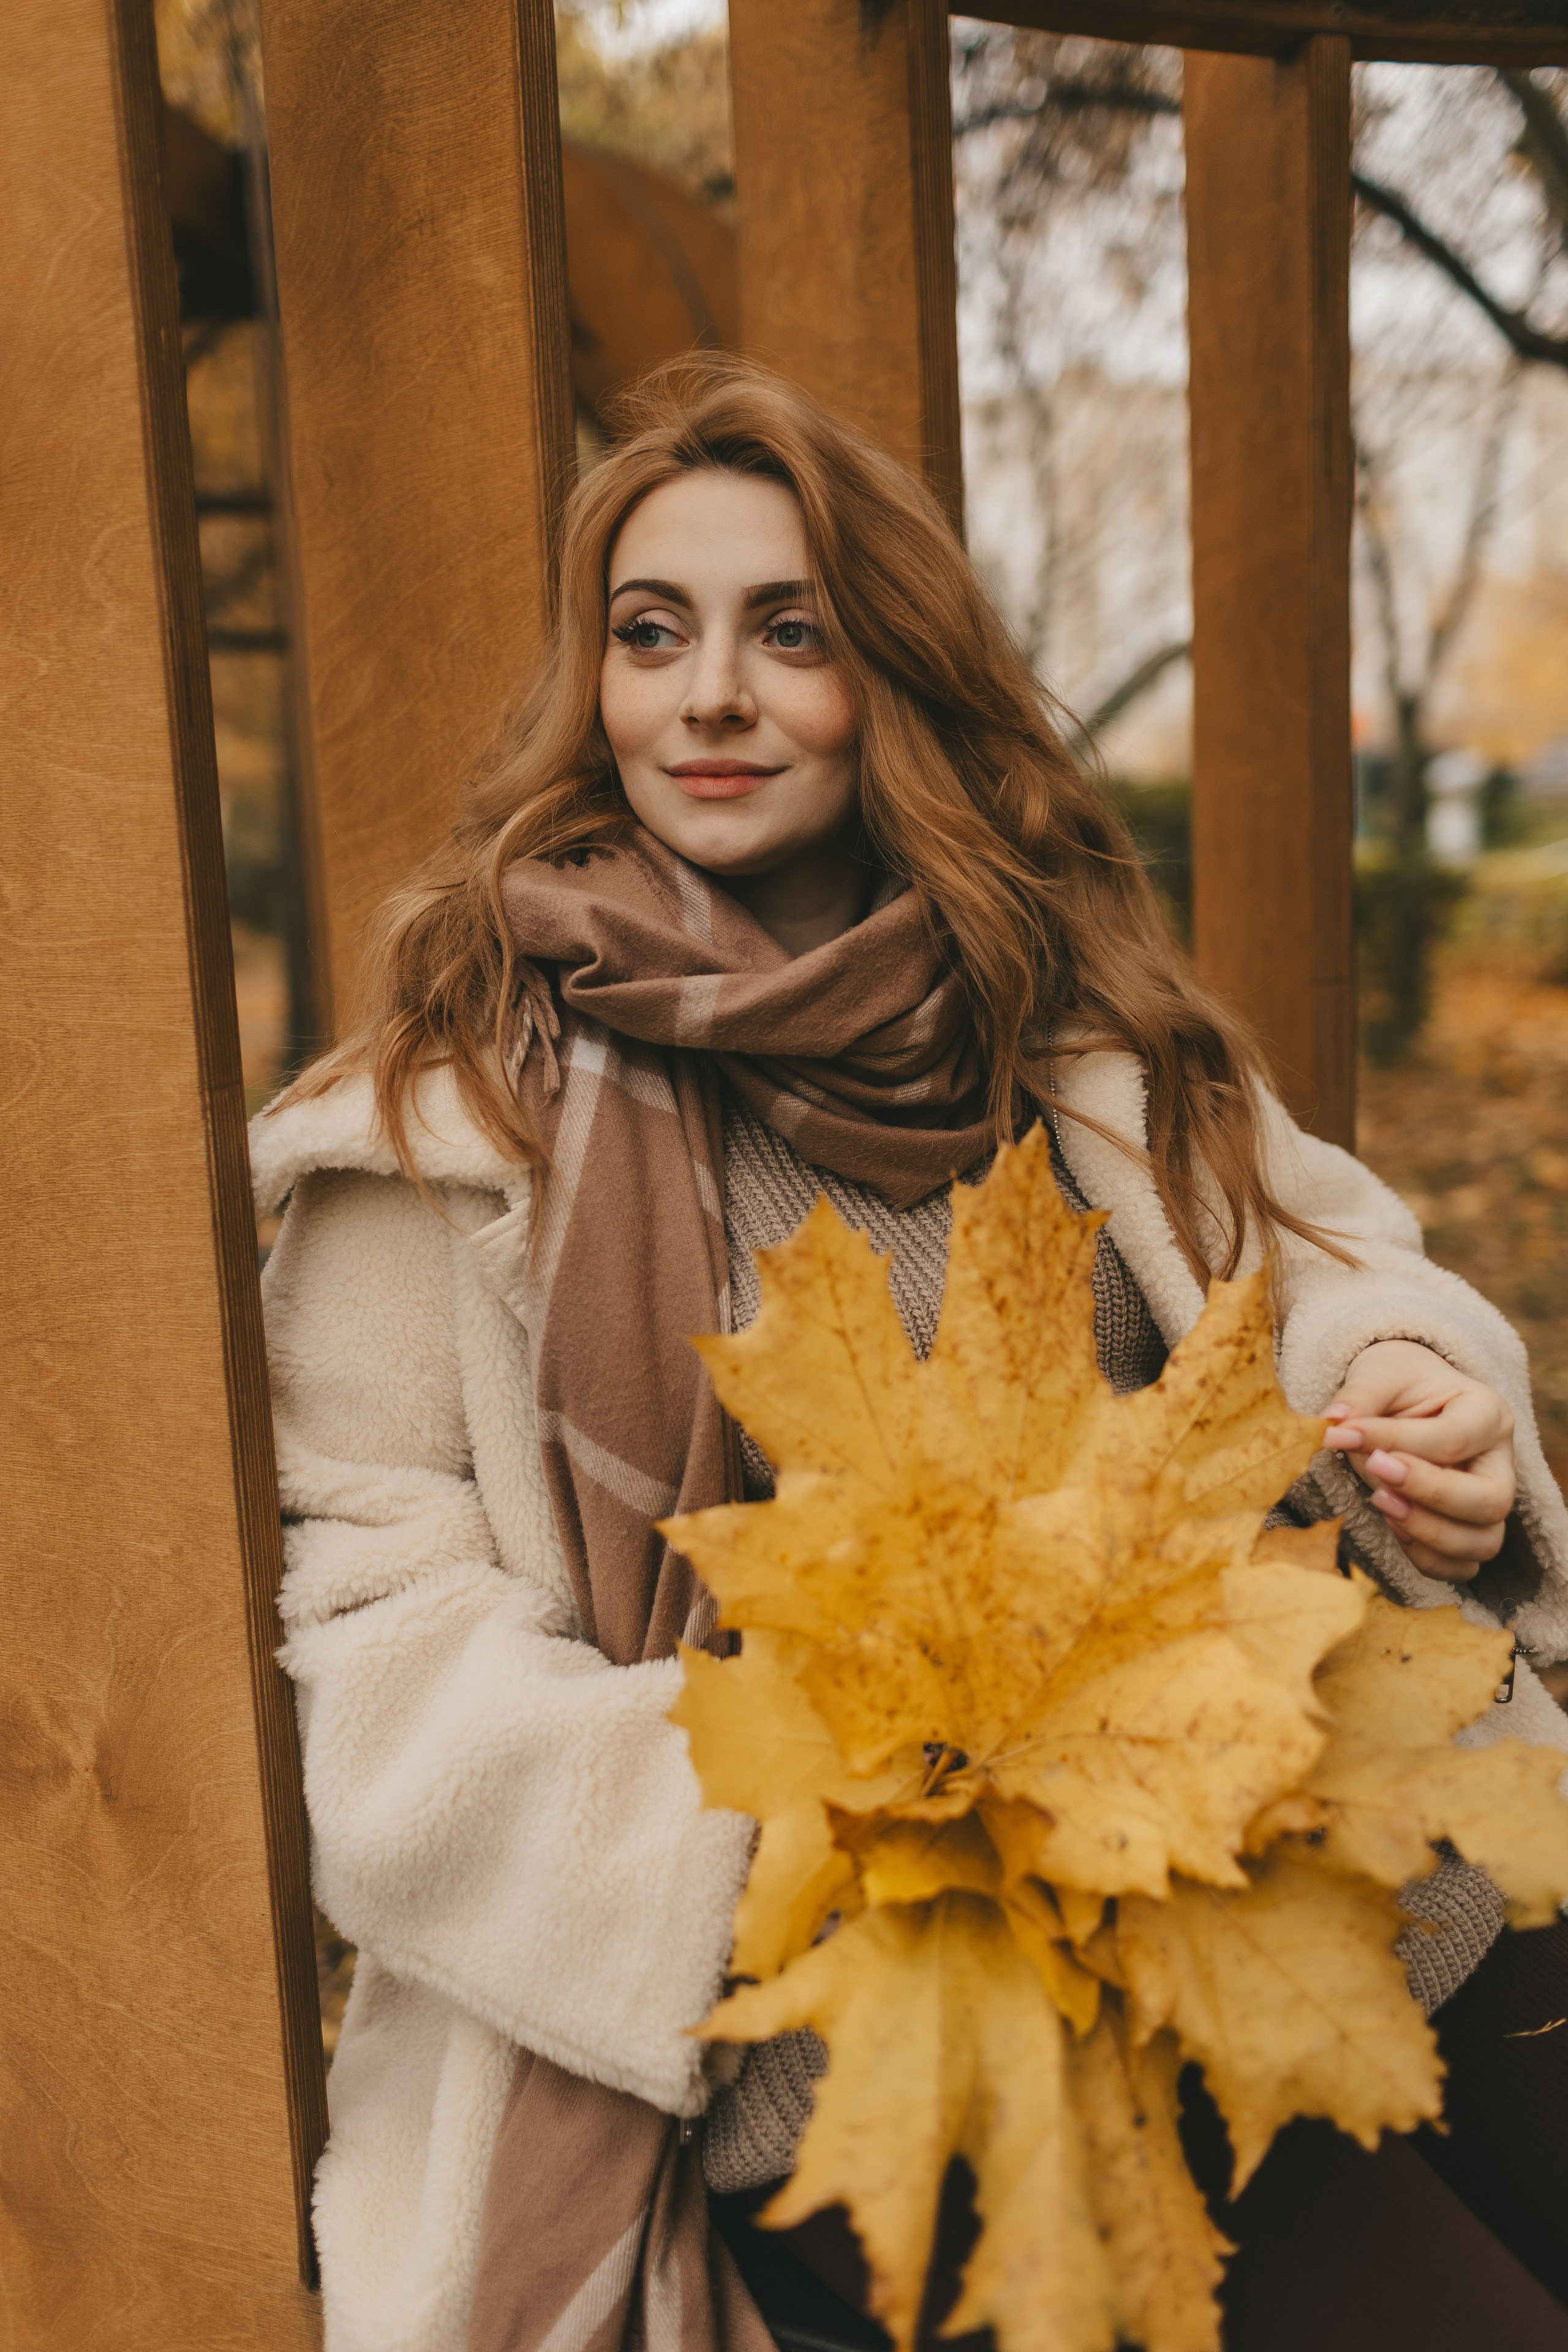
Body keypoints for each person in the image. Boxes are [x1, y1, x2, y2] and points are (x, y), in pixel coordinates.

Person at [251, 356, 1568, 2352]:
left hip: (1297, 1854)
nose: (711, 694)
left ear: (891, 671)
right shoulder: (448, 1128)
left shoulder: (1062, 1015)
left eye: (791, 632)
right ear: (593, 686)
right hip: (854, 2006)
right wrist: (804, 1826)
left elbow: (1320, 1265)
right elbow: (373, 1634)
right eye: (650, 632)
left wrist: (1414, 1389)